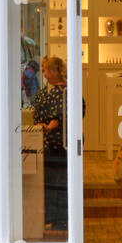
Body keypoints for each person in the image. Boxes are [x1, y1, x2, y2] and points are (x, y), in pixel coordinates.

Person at [32, 55, 71, 233]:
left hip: (55, 146)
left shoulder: (55, 94)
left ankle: (57, 218)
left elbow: (54, 120)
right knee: (60, 184)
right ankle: (59, 219)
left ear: (54, 72)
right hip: (63, 146)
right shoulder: (67, 92)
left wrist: (46, 127)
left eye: (46, 70)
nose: (45, 74)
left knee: (55, 184)